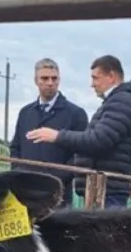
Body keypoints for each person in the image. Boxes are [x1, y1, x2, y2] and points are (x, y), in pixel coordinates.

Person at [26, 54, 131, 209]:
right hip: (103, 188)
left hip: (108, 190)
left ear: (111, 76)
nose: (92, 84)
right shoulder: (117, 101)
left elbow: (99, 140)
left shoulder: (122, 102)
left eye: (95, 78)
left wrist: (57, 136)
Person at [8, 58, 88, 208]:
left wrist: (55, 179)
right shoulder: (26, 113)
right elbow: (15, 148)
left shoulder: (75, 114)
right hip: (26, 192)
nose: (50, 83)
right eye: (45, 78)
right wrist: (19, 173)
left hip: (57, 195)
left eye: (54, 78)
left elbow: (79, 155)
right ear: (36, 80)